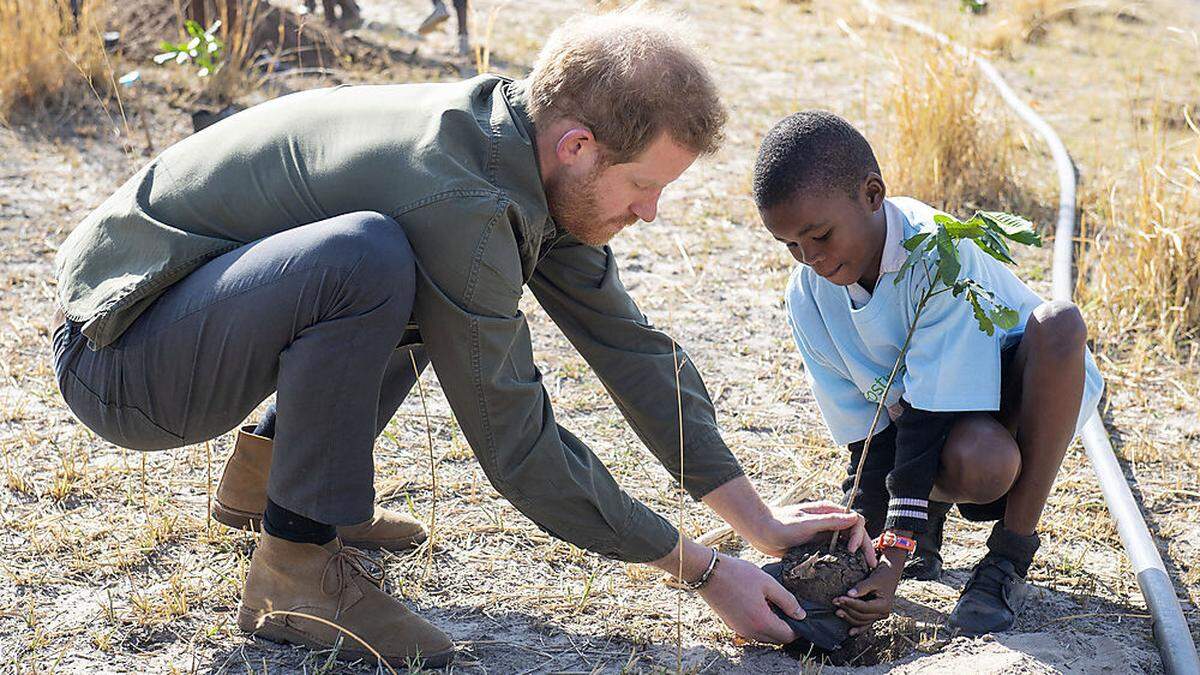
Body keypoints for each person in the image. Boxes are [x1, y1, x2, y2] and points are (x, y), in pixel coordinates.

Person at [51, 10, 872, 668]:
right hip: (122, 354)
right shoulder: (464, 203)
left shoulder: (522, 149)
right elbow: (519, 445)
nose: (649, 213)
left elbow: (633, 349)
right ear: (579, 146)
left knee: (391, 269)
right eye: (645, 187)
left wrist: (755, 521)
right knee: (370, 262)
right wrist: (705, 572)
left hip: (184, 314)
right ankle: (295, 569)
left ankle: (270, 479)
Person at [752, 110, 1104, 636]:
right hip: (930, 422)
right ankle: (926, 523)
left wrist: (894, 553)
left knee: (1055, 331)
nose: (811, 259)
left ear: (873, 195)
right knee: (954, 453)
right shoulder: (808, 297)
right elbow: (868, 441)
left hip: (1015, 405)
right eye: (792, 247)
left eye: (821, 236)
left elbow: (930, 417)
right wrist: (855, 550)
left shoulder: (937, 256)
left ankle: (1006, 560)